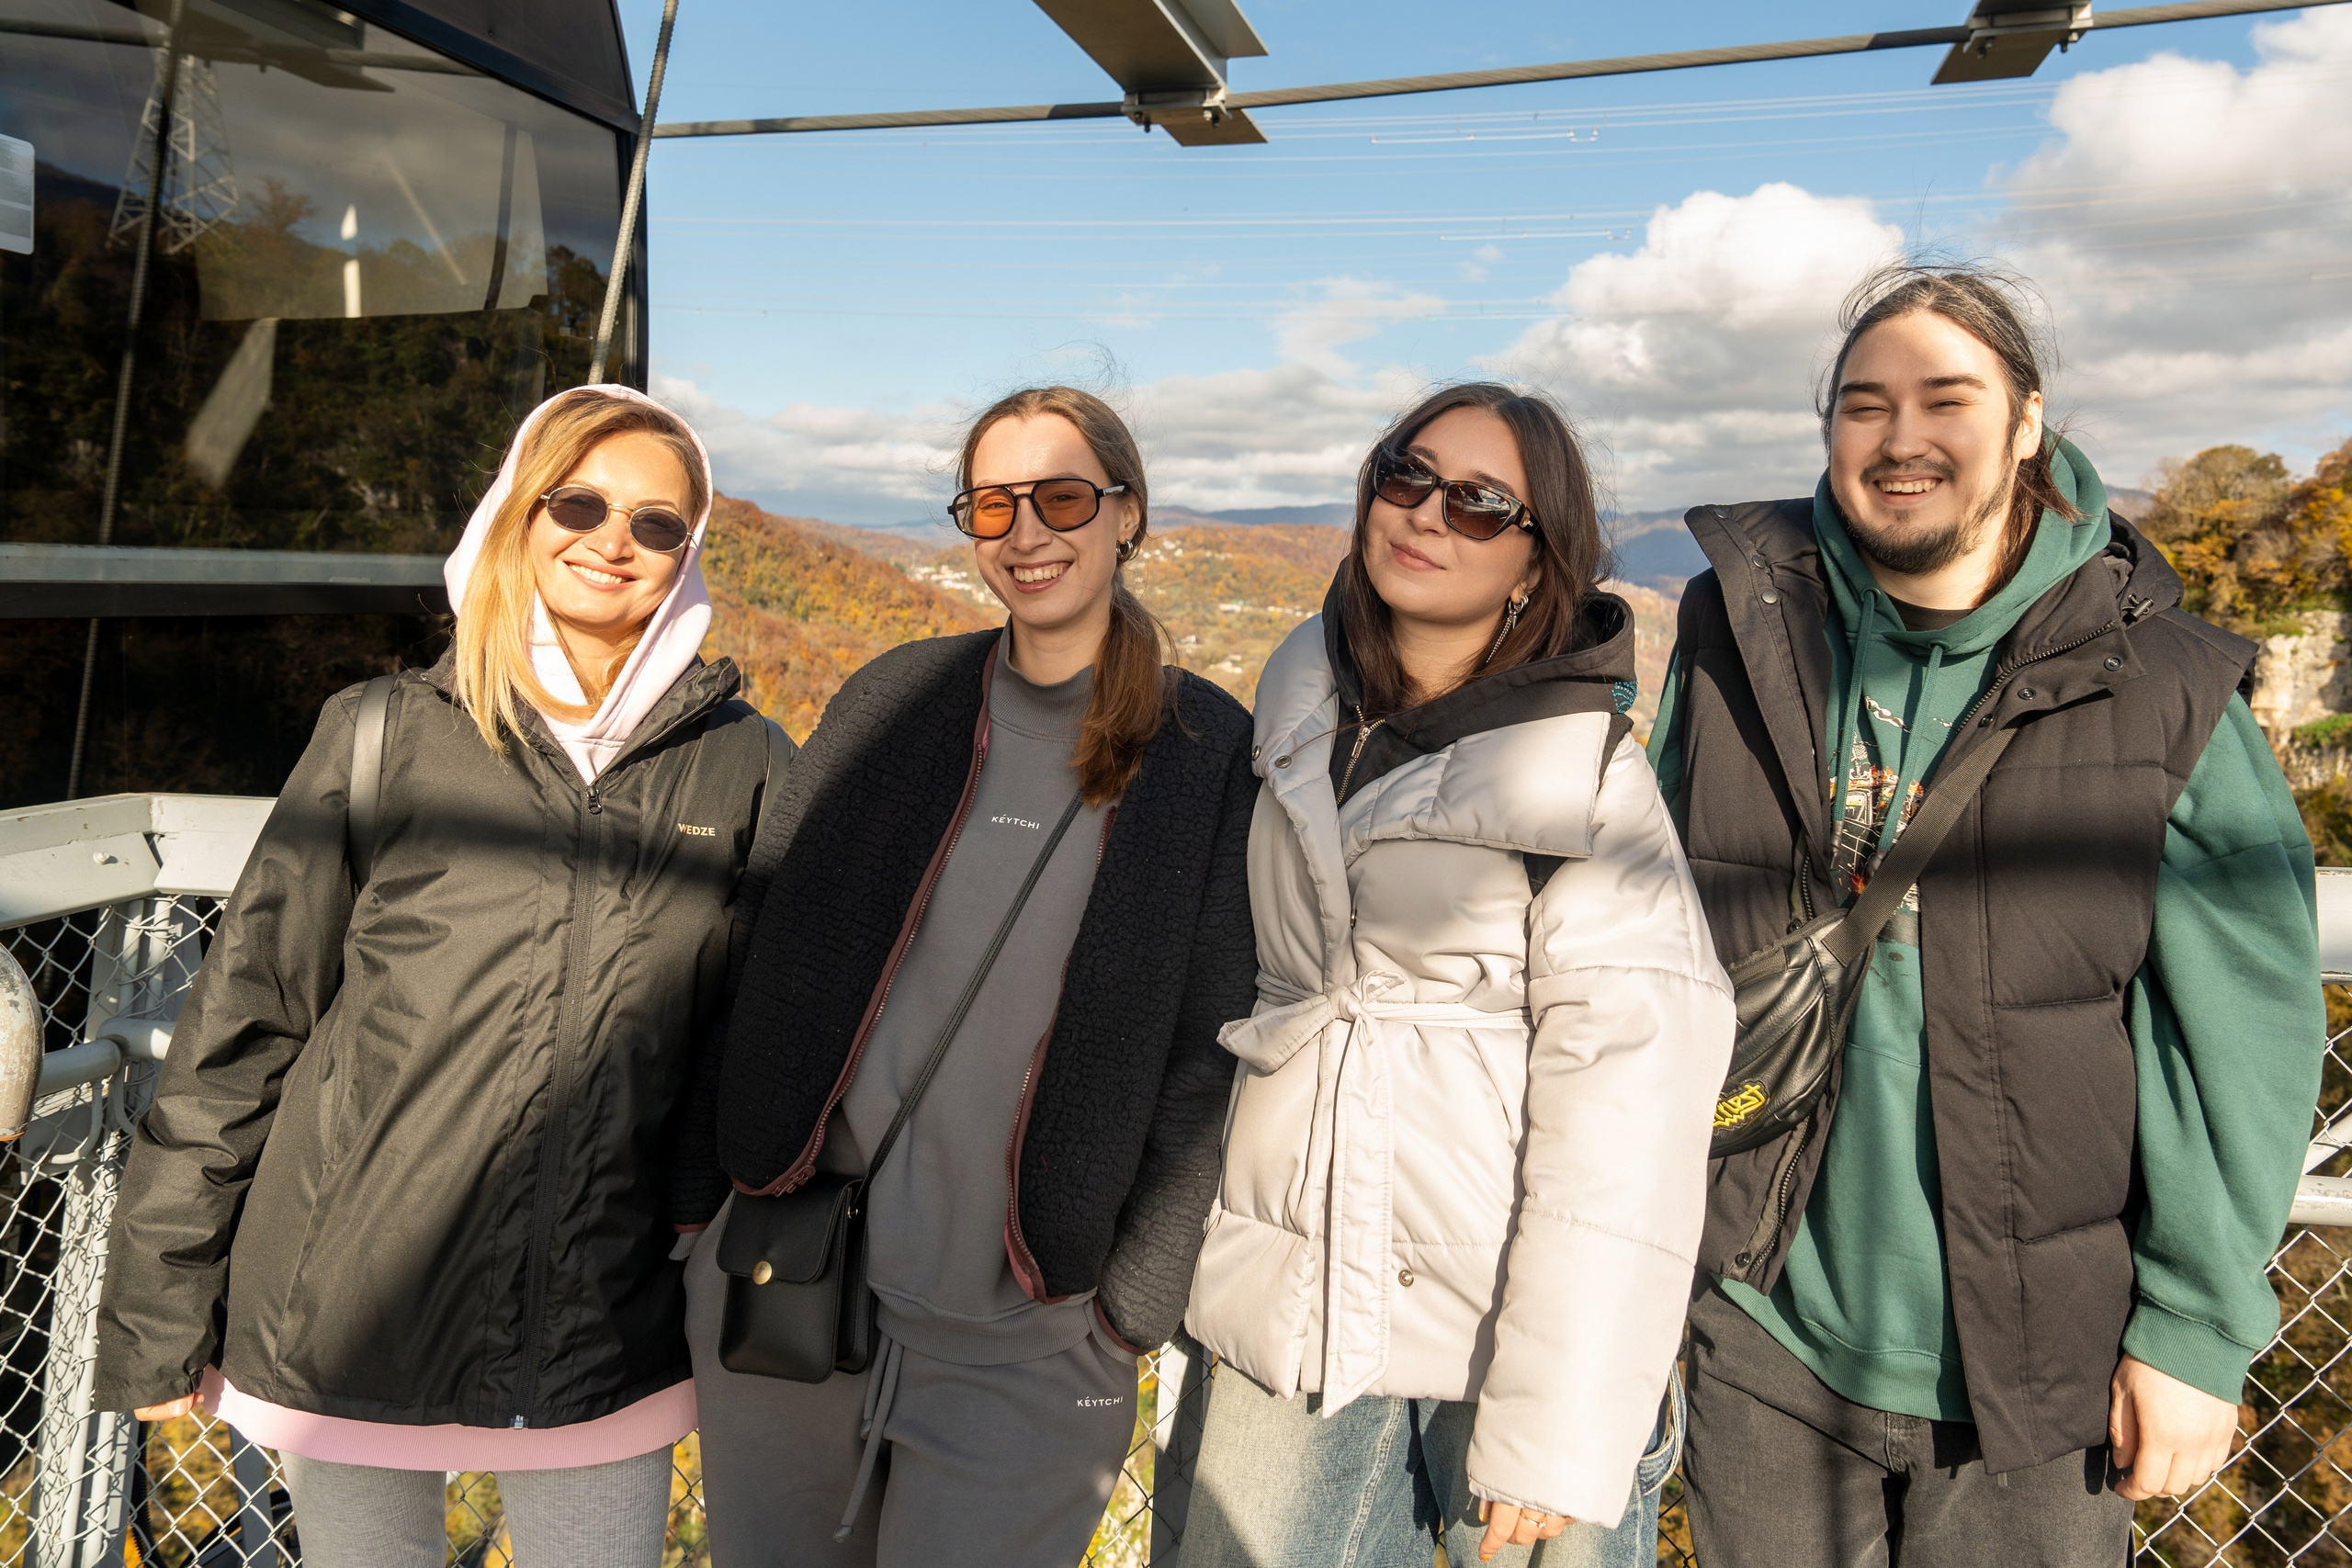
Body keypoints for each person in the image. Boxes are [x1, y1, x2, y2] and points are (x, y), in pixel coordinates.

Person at [1649, 261, 2325, 1566]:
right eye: (1862, 405)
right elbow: (1648, 926)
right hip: (1764, 1325)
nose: (1900, 440)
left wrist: (2194, 1326)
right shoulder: (1737, 627)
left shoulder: (2163, 687)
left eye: (1945, 399)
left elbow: (2240, 1033)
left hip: (2039, 1366)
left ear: (2027, 424)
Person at [89, 385, 776, 1568]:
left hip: (598, 1316)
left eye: (659, 523)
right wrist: (159, 1304)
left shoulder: (743, 768)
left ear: (688, 555)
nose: (616, 540)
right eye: (581, 501)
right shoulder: (387, 734)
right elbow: (248, 1018)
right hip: (348, 1303)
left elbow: (752, 1029)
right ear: (518, 514)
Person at [670, 385, 1259, 1568]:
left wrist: (1126, 1308)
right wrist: (703, 1208)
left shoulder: (1203, 751)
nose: (1027, 533)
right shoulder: (896, 698)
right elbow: (755, 947)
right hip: (795, 1284)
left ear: (1128, 514)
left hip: (1034, 1335)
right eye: (995, 504)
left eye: (1061, 498)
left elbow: (1214, 1044)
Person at [1181, 383, 1736, 1567]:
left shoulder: (1585, 783)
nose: (1429, 514)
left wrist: (1561, 1421)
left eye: (1484, 504)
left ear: (1540, 562)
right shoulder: (1291, 726)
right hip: (1297, 1300)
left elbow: (1631, 1110)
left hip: (1514, 1331)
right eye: (1407, 473)